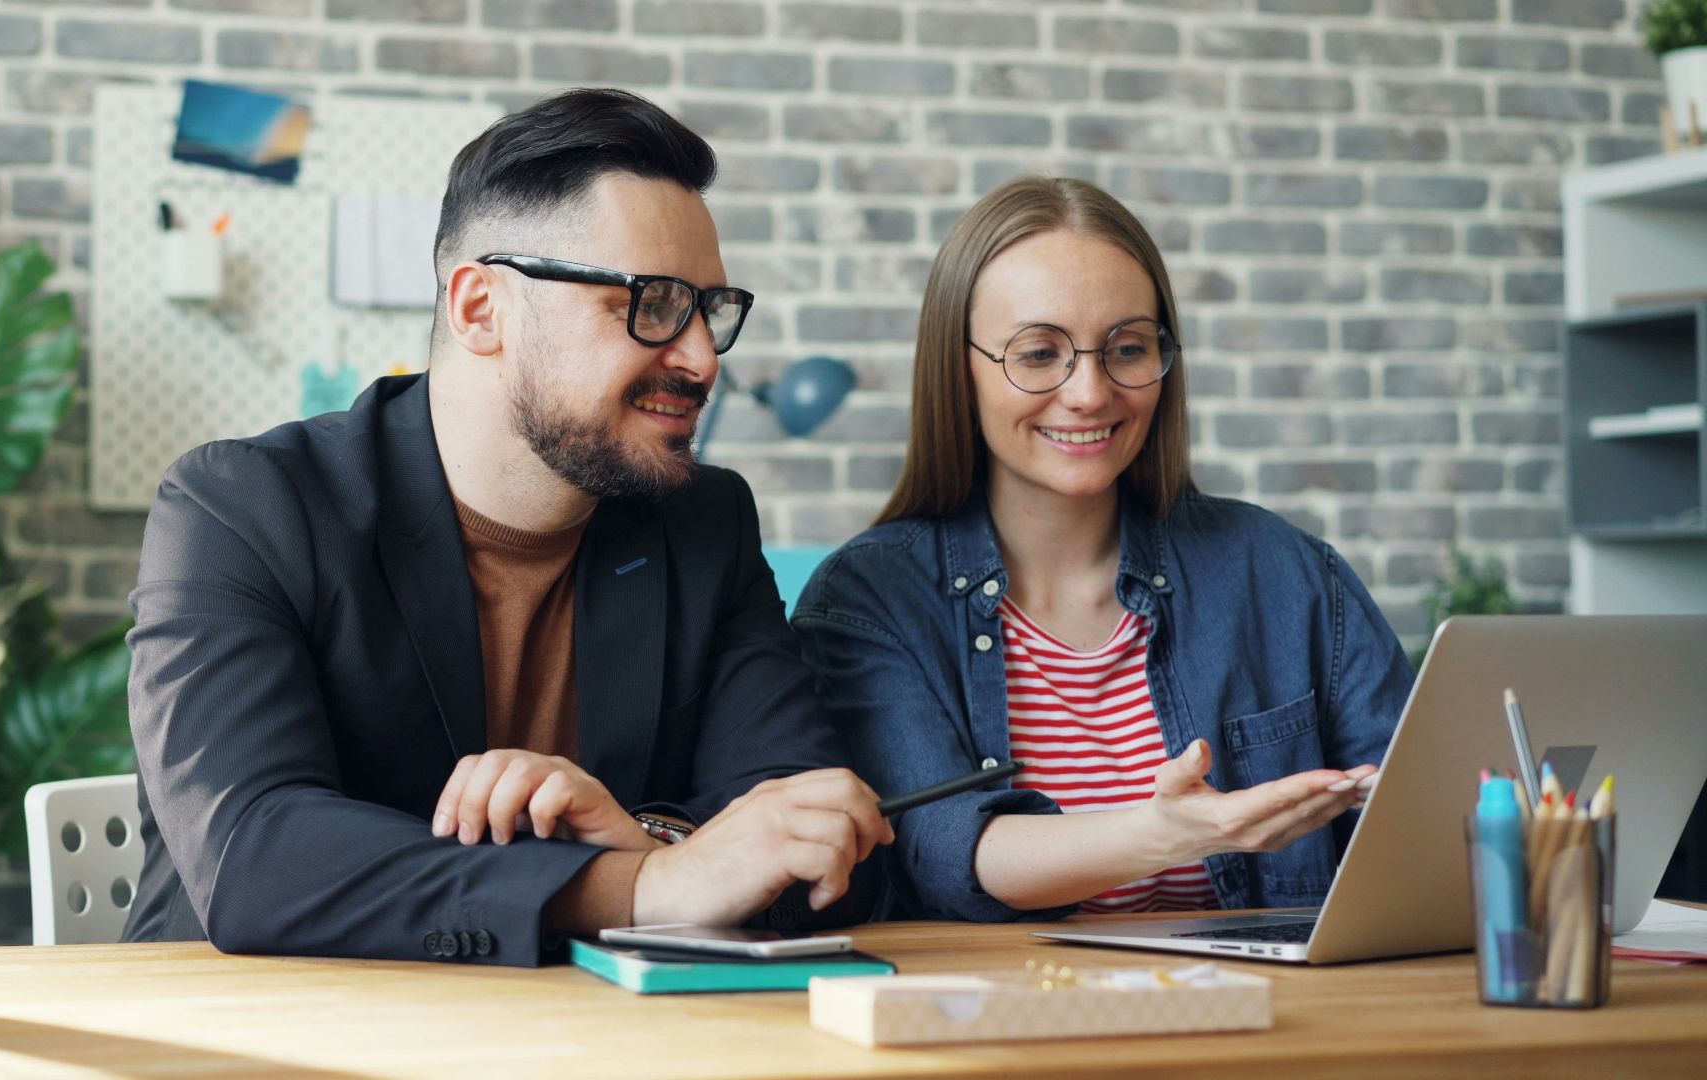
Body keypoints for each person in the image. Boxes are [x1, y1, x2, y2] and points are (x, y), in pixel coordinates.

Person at [122, 88, 890, 966]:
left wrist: (642, 838)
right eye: (650, 303)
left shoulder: (701, 524)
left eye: (707, 310)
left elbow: (823, 842)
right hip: (250, 1034)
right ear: (481, 308)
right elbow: (256, 857)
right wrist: (643, 886)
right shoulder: (243, 508)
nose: (701, 357)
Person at [791, 176, 1413, 922]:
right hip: (1003, 1025)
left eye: (1126, 348)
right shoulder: (869, 601)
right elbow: (947, 850)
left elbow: (1425, 819)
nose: (1089, 392)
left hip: (1269, 1022)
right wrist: (1162, 836)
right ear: (960, 370)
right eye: (1039, 353)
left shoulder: (1286, 573)